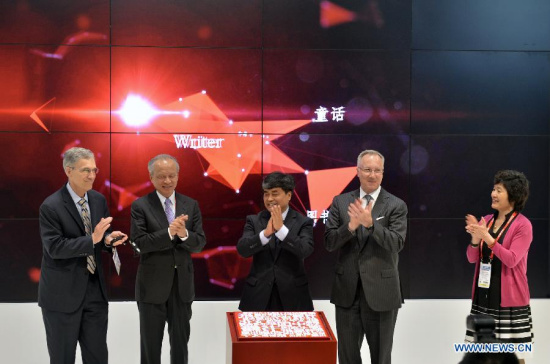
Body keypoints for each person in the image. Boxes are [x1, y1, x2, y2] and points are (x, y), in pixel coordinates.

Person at [38, 147, 127, 364]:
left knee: (98, 357)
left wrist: (107, 240)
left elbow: (100, 236)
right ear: (68, 170)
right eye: (85, 170)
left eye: (94, 170)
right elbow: (55, 247)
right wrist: (94, 239)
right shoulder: (51, 206)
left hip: (95, 293)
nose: (92, 176)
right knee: (62, 358)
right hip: (61, 296)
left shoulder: (98, 200)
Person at [324, 149, 407, 364]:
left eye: (377, 170)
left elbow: (396, 243)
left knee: (381, 357)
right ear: (357, 171)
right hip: (347, 293)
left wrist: (371, 224)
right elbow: (329, 242)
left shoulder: (396, 205)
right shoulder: (341, 202)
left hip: (382, 293)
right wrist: (350, 227)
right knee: (347, 357)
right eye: (367, 169)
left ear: (383, 173)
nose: (372, 175)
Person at [131, 154, 206, 364]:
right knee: (150, 347)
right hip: (151, 288)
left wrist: (184, 234)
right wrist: (169, 232)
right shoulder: (140, 206)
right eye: (162, 176)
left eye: (172, 176)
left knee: (180, 347)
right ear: (152, 177)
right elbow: (139, 244)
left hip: (182, 288)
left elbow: (199, 243)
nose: (167, 181)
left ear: (178, 176)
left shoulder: (190, 205)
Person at [465, 170, 534, 364]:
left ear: (513, 194)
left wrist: (487, 238)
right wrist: (475, 239)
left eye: (498, 190)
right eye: (493, 189)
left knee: (514, 355)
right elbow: (472, 258)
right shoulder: (486, 220)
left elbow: (512, 259)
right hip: (483, 297)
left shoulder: (523, 225)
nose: (493, 194)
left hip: (510, 302)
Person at [237, 172, 314, 311]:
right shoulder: (254, 220)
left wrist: (282, 231)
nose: (270, 198)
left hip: (294, 297)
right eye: (266, 193)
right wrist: (265, 235)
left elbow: (305, 250)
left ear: (289, 195)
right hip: (258, 296)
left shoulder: (304, 222)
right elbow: (243, 250)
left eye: (275, 193)